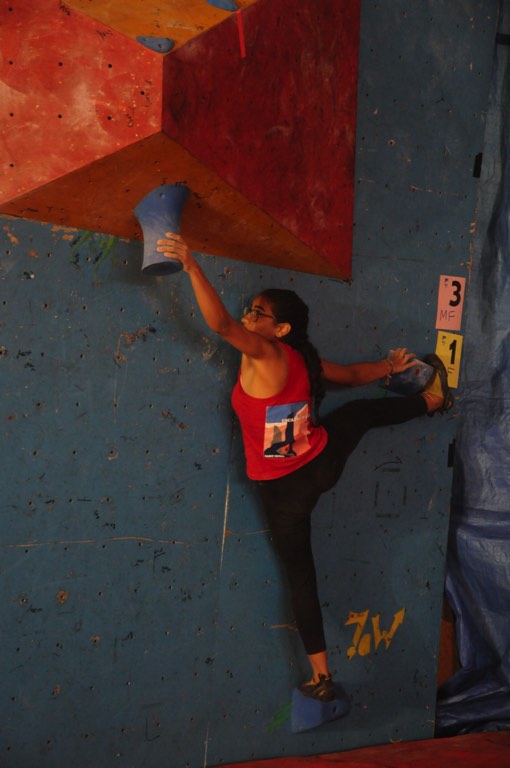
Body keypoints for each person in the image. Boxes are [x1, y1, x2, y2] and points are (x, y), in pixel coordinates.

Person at [156, 233, 453, 702]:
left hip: (285, 493)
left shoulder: (264, 353)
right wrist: (388, 367)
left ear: (280, 329)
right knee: (359, 413)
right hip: (319, 464)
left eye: (258, 312)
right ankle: (434, 401)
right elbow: (351, 377)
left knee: (301, 577)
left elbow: (220, 324)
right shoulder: (300, 357)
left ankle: (321, 675)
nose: (248, 316)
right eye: (250, 309)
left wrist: (192, 266)